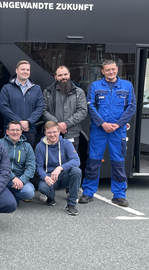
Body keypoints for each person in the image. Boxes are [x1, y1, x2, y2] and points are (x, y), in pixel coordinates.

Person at [79, 60, 136, 207]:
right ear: (102, 71)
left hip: (118, 130)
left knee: (118, 162)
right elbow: (91, 106)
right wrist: (103, 124)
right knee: (93, 161)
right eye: (107, 70)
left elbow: (131, 107)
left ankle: (119, 195)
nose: (111, 72)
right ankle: (88, 192)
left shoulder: (127, 86)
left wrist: (118, 124)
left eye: (113, 69)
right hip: (99, 130)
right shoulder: (96, 86)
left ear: (117, 69)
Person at [35, 121, 81, 216]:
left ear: (59, 131)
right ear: (45, 133)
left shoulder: (66, 143)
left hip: (63, 175)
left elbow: (76, 161)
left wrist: (60, 168)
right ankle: (51, 197)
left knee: (76, 171)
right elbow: (38, 167)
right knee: (43, 187)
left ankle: (71, 204)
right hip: (49, 176)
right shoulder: (40, 146)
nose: (52, 135)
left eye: (54, 132)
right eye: (49, 132)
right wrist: (45, 177)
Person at [0, 60, 45, 148]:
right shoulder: (6, 88)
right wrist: (19, 123)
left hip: (29, 129)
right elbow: (4, 108)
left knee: (27, 157)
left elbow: (40, 107)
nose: (25, 72)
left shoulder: (37, 89)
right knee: (10, 157)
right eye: (23, 69)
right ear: (16, 70)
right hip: (12, 130)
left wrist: (28, 122)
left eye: (28, 70)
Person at [42, 65, 87, 152]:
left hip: (71, 134)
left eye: (65, 74)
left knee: (71, 161)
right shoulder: (47, 92)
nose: (63, 77)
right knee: (52, 160)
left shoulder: (79, 92)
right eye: (60, 75)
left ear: (69, 74)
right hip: (52, 133)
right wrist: (57, 125)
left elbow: (82, 111)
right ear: (55, 77)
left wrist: (66, 124)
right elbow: (43, 110)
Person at [0, 121, 35, 204]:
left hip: (20, 178)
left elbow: (31, 166)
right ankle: (9, 198)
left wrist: (22, 180)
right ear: (7, 132)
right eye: (12, 130)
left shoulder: (27, 146)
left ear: (21, 132)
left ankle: (13, 198)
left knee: (29, 192)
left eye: (17, 130)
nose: (15, 132)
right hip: (2, 177)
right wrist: (12, 177)